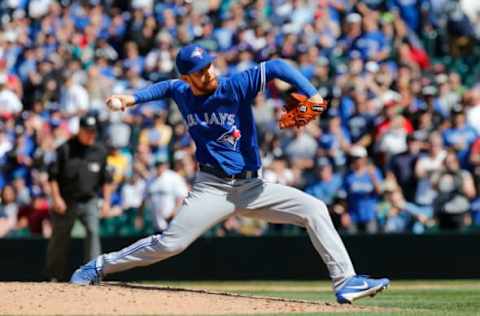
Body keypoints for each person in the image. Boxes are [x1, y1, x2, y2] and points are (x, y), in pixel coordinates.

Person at [70, 45, 389, 304]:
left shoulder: (235, 85)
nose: (208, 72)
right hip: (212, 188)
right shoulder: (182, 92)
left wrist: (314, 95)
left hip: (254, 187)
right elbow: (165, 87)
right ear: (188, 77)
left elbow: (276, 66)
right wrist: (131, 98)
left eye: (209, 65)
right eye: (199, 70)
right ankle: (99, 266)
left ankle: (346, 281)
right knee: (171, 244)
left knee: (315, 209)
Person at [46, 114, 113, 281]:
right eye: (87, 131)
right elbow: (52, 176)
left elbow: (107, 180)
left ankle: (93, 276)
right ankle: (54, 276)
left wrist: (106, 203)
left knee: (93, 231)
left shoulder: (100, 151)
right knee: (59, 238)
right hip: (66, 201)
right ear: (79, 130)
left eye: (93, 131)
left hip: (89, 200)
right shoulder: (65, 149)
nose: (91, 134)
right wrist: (56, 198)